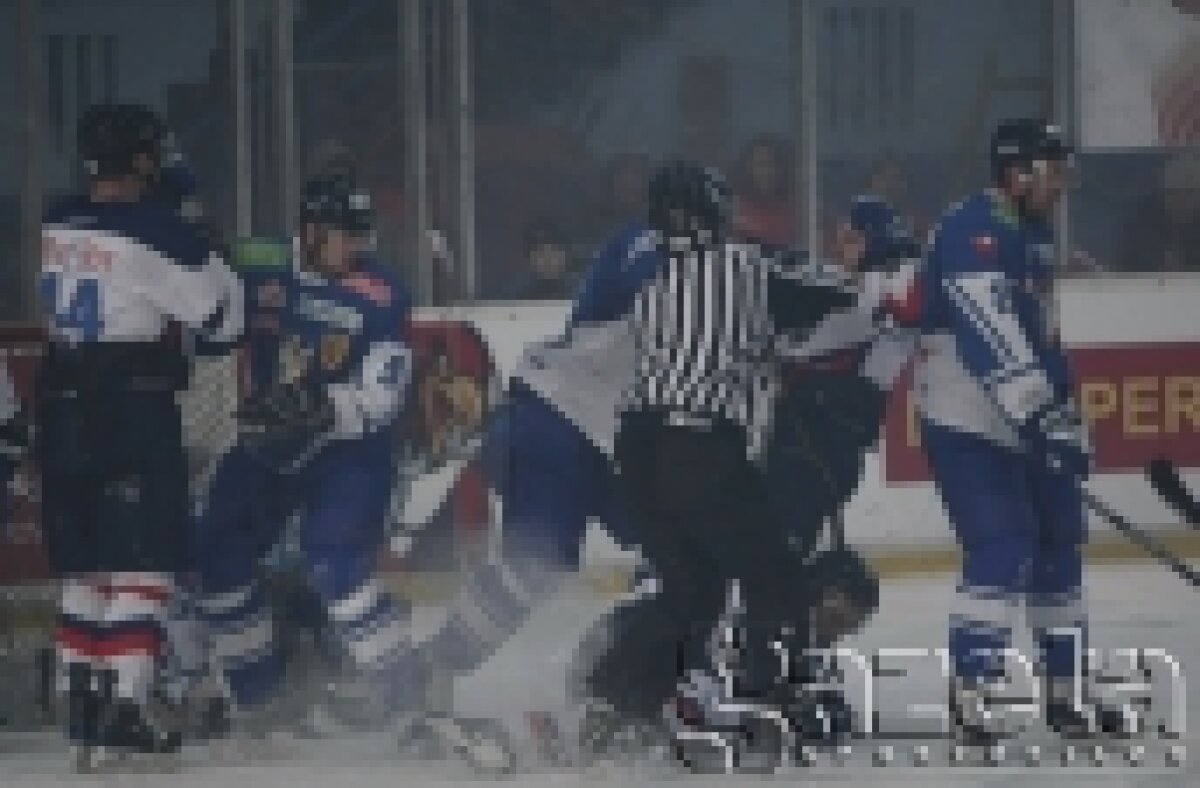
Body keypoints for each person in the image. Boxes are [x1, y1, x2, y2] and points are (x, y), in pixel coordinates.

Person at [38, 103, 243, 770]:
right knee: (145, 561)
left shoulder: (59, 220)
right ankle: (125, 701)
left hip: (62, 402)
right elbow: (225, 319)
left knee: (89, 564)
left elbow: (109, 238)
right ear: (143, 162)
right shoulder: (159, 236)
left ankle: (78, 697)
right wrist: (201, 241)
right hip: (128, 405)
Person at [189, 174, 424, 743]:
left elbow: (384, 395)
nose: (359, 248)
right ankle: (262, 699)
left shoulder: (384, 293)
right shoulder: (262, 263)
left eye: (363, 235)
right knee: (216, 554)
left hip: (349, 451)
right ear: (311, 232)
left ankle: (408, 695)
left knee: (335, 561)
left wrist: (324, 406)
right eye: (347, 236)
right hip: (270, 445)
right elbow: (206, 290)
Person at [916, 118, 1126, 743]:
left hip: (1026, 419)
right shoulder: (969, 231)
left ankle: (1065, 695)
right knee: (1003, 546)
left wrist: (1065, 415)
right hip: (967, 421)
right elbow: (990, 338)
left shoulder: (1029, 234)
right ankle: (970, 696)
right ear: (1018, 172)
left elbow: (1042, 340)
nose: (1063, 184)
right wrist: (1041, 411)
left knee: (1059, 546)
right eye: (1053, 170)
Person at [1118, 150, 1200, 273]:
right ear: (1161, 194)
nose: (1180, 201)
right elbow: (1124, 266)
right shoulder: (1142, 221)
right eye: (1171, 193)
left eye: (1188, 193)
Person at [732, 135, 797, 247]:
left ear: (779, 169)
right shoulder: (735, 208)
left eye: (770, 164)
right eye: (759, 165)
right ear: (748, 168)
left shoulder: (795, 208)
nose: (765, 172)